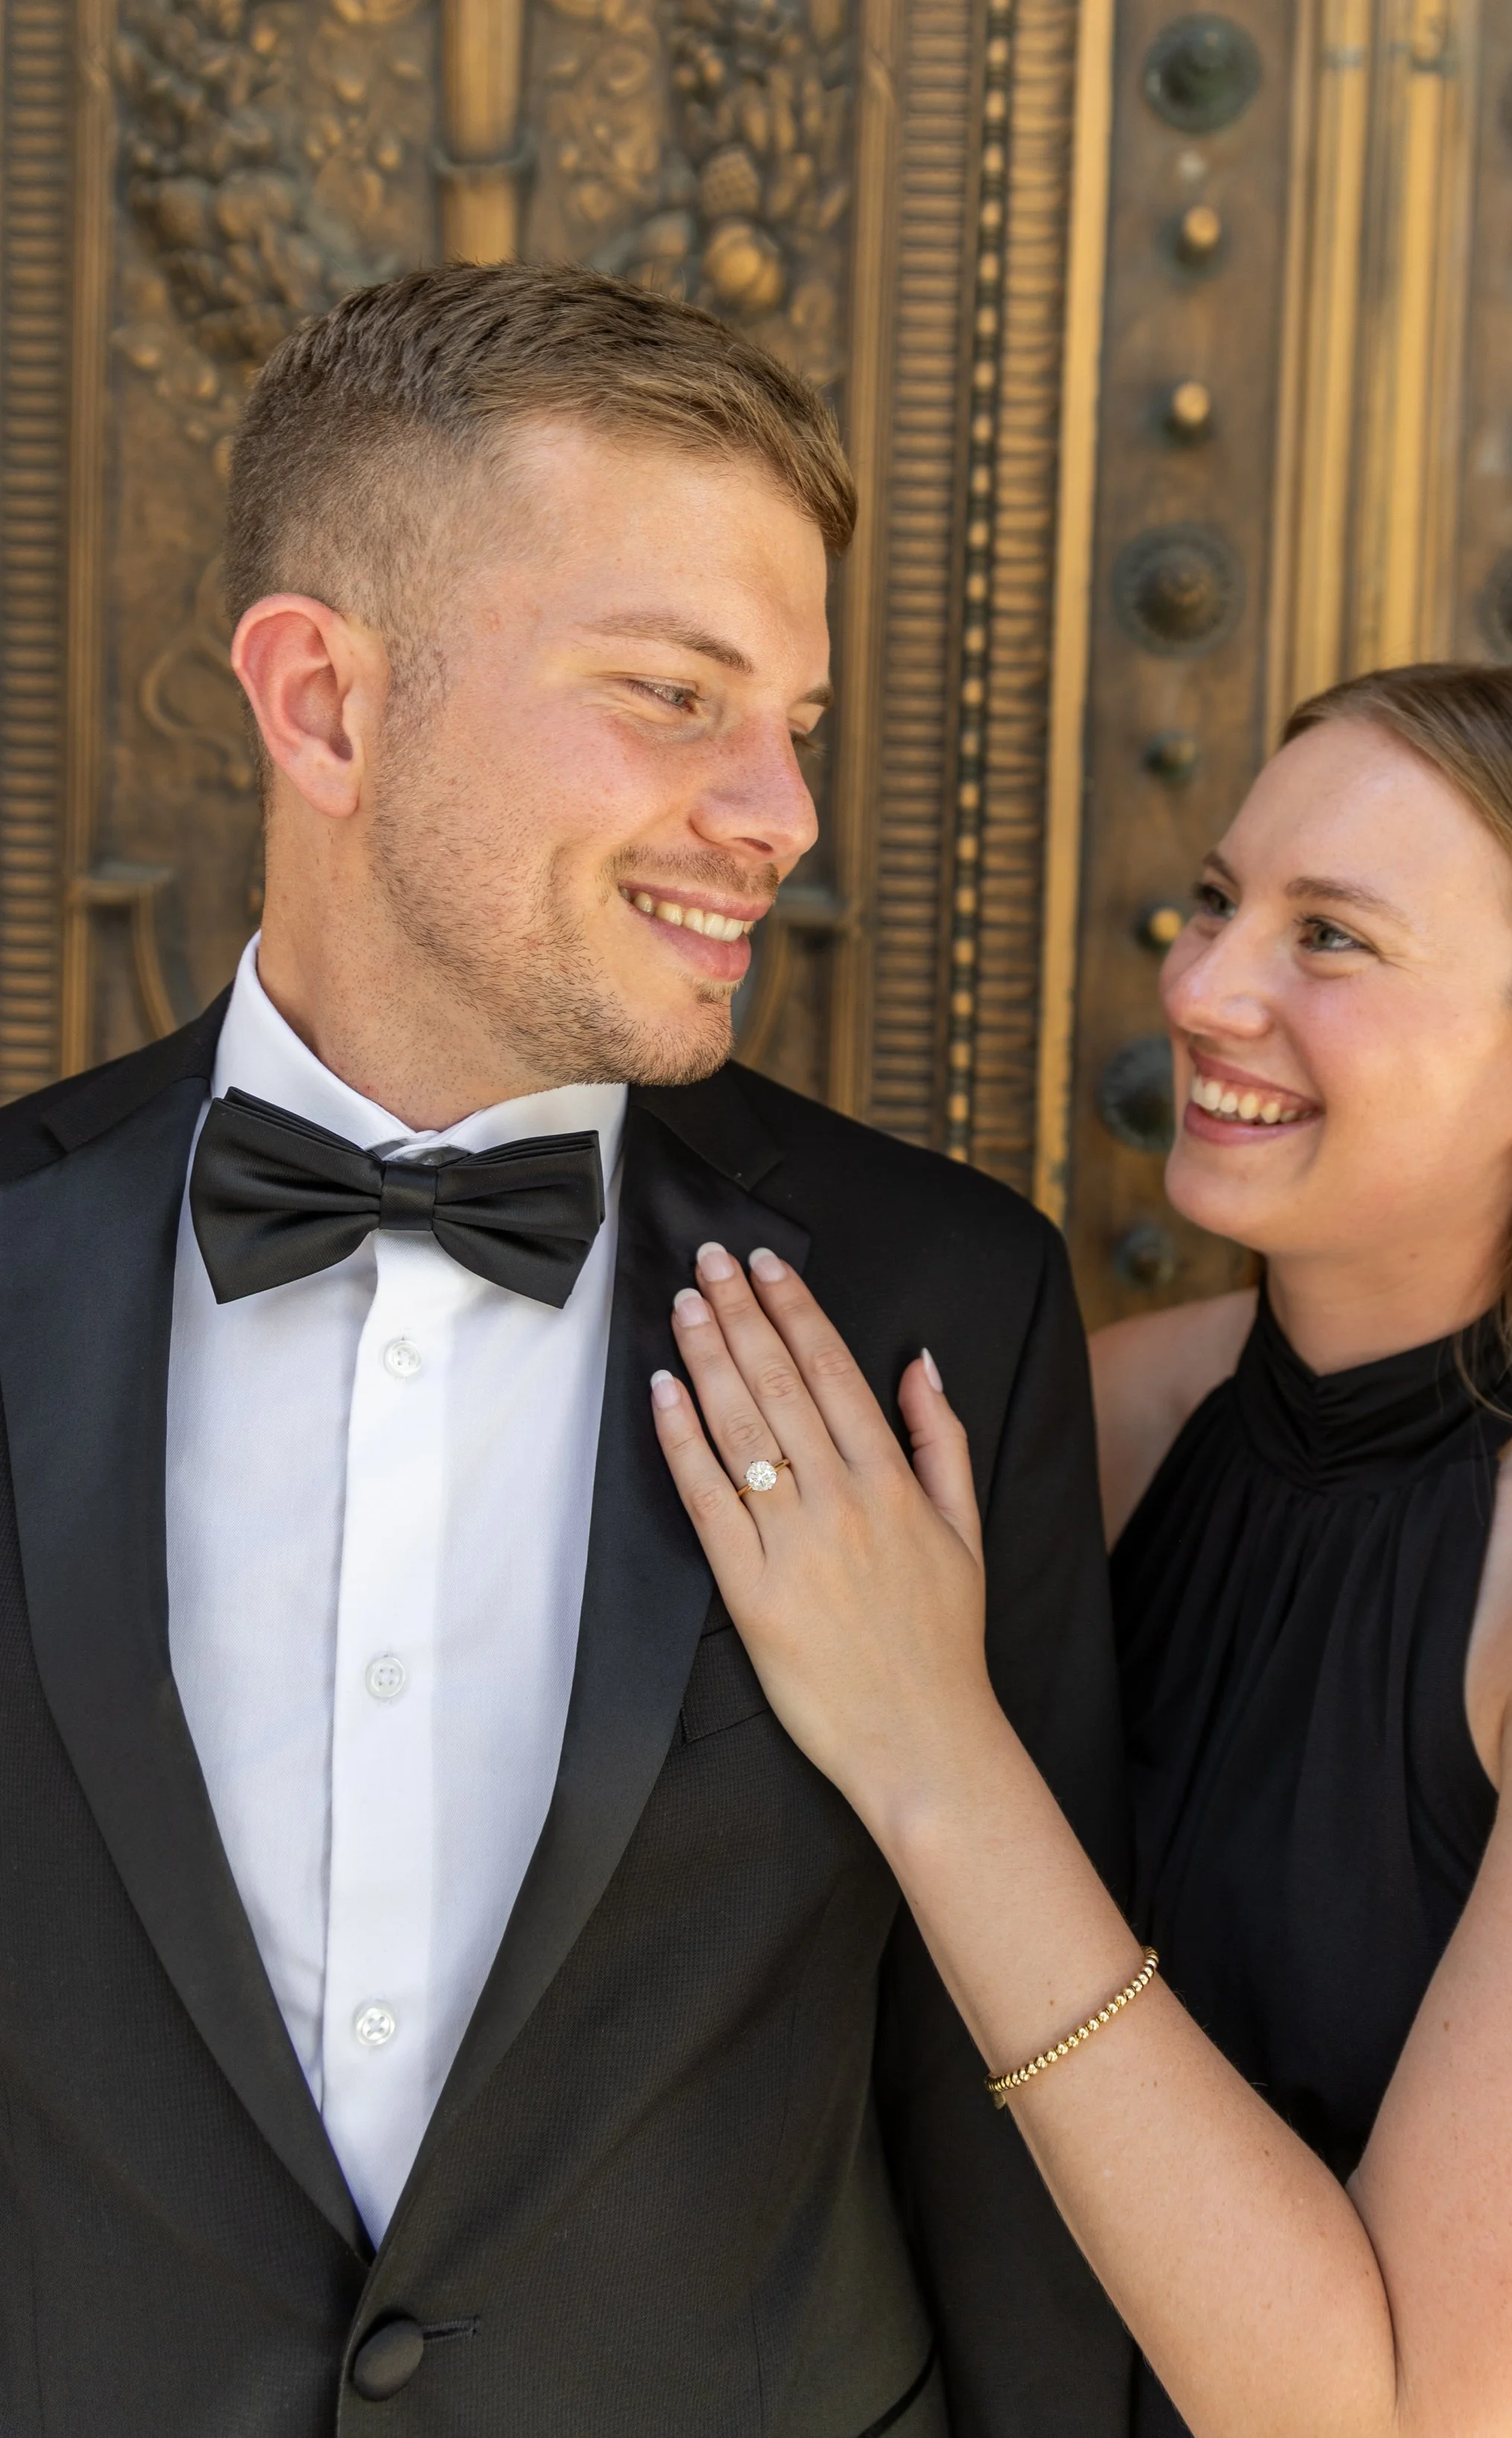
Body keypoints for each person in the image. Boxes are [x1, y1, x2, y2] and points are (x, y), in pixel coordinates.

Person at [0, 264, 1132, 2435]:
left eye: (793, 719)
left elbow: (996, 2113)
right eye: (674, 696)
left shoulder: (938, 1302)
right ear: (324, 705)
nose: (782, 813)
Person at [651, 662, 1512, 2438]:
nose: (1203, 989)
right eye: (1217, 902)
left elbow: (1392, 2419)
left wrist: (928, 1744)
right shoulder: (1108, 1418)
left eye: (1332, 940)